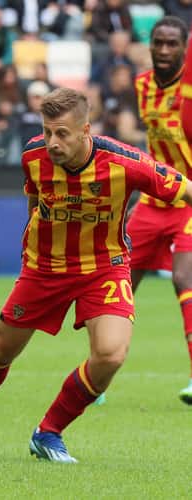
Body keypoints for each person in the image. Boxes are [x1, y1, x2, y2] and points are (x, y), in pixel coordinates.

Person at [0, 87, 192, 463]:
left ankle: (48, 432)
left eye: (62, 133)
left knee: (111, 354)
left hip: (103, 267)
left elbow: (184, 189)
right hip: (43, 268)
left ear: (86, 130)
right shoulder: (33, 154)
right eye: (48, 131)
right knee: (0, 350)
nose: (52, 142)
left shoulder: (125, 162)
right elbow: (34, 201)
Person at [129, 16, 192, 404]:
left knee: (184, 278)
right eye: (159, 43)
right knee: (118, 284)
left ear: (186, 48)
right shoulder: (142, 86)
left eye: (173, 44)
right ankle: (99, 367)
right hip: (154, 202)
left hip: (190, 200)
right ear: (149, 44)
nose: (165, 50)